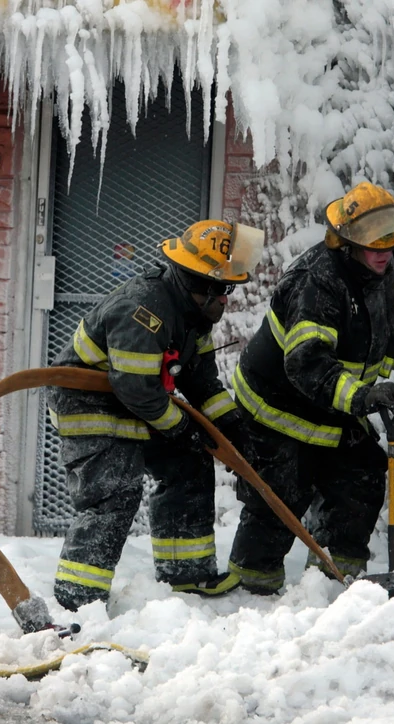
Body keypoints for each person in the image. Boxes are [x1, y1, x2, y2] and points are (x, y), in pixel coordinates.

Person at [47, 220, 264, 611]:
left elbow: (199, 380)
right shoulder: (143, 309)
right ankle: (78, 599)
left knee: (189, 462)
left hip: (137, 405)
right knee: (115, 490)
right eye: (223, 289)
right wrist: (182, 428)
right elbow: (137, 388)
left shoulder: (189, 314)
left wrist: (231, 427)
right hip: (90, 406)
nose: (226, 299)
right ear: (200, 282)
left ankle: (187, 574)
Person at [227, 181, 394, 593]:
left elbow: (381, 320)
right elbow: (307, 363)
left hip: (330, 405)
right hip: (276, 405)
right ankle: (251, 591)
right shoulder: (317, 283)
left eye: (393, 237)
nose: (385, 249)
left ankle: (334, 582)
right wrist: (364, 396)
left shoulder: (381, 268)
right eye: (374, 241)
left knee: (363, 476)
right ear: (347, 243)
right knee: (280, 496)